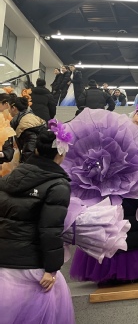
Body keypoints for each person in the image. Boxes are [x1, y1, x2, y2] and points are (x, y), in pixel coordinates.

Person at [70, 107, 138, 284]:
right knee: (108, 223)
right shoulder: (116, 130)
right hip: (105, 186)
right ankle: (107, 270)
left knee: (131, 225)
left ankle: (132, 270)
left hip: (132, 188)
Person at [0, 128, 75, 324]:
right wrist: (51, 269)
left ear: (36, 150)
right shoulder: (57, 185)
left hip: (4, 261)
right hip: (32, 265)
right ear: (61, 154)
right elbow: (50, 230)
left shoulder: (12, 177)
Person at [9, 97, 46, 164]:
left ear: (13, 108)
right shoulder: (29, 118)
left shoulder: (26, 125)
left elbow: (29, 149)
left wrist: (24, 165)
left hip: (32, 163)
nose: (8, 111)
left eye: (9, 108)